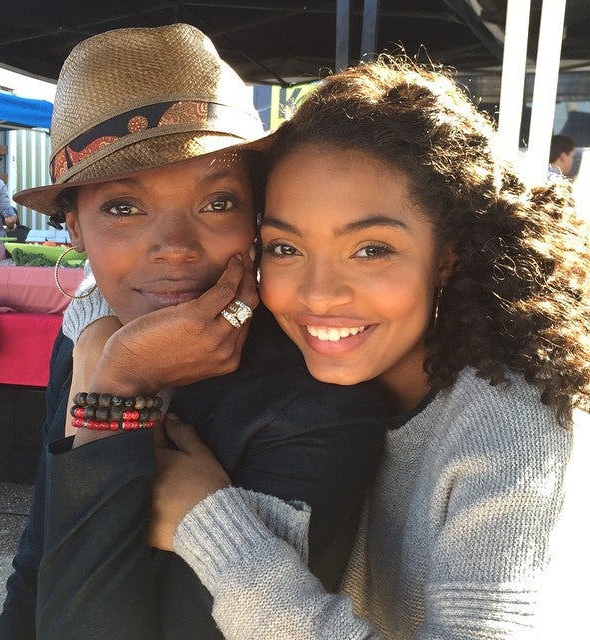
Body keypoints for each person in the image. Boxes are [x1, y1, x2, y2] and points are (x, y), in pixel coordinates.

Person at [36, 57, 590, 638]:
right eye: (286, 248)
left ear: (448, 254)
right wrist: (97, 330)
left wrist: (216, 531)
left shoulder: (512, 428)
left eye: (371, 249)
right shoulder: (267, 357)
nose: (320, 295)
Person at [0, 24, 388, 640]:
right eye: (124, 207)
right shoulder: (85, 334)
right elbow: (37, 565)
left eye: (217, 203)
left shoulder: (317, 403)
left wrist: (118, 387)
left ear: (257, 216)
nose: (175, 248)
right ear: (73, 227)